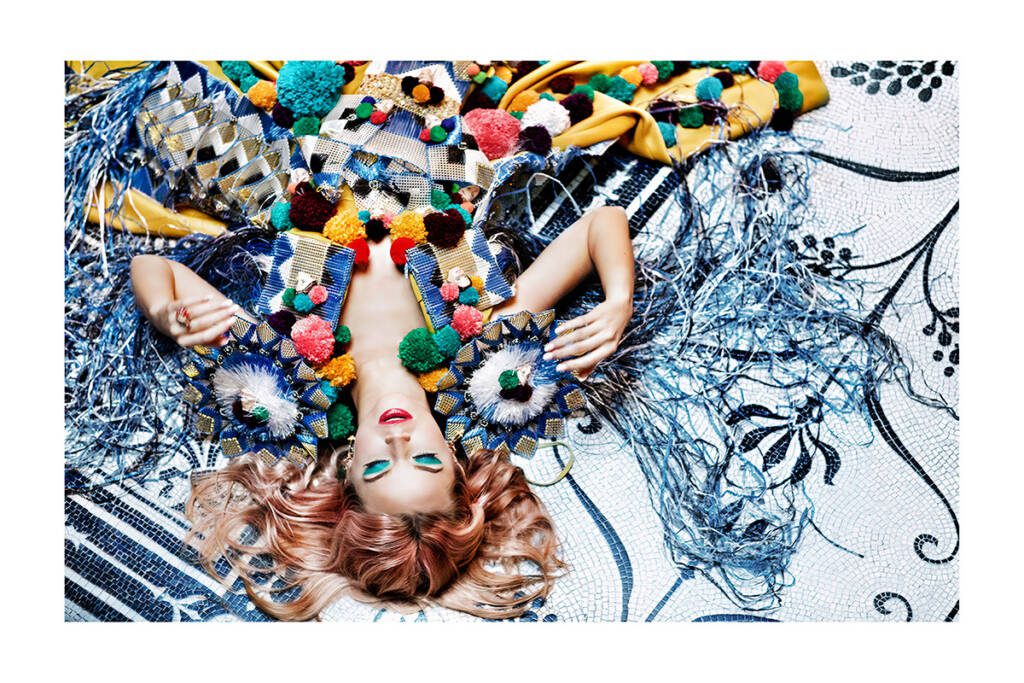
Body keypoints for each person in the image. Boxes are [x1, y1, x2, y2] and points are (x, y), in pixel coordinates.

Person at [130, 204, 635, 619]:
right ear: (455, 457)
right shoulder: (476, 348)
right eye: (425, 461)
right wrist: (619, 302)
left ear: (348, 468)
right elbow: (602, 222)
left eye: (378, 467)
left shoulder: (289, 371)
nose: (398, 442)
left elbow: (154, 268)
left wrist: (164, 313)